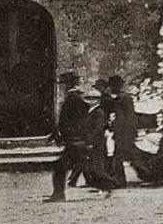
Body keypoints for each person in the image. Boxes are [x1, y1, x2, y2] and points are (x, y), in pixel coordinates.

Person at [46, 74, 115, 202]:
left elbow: (71, 120)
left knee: (62, 168)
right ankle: (107, 185)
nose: (62, 87)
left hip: (75, 141)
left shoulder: (73, 98)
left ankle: (59, 195)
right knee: (86, 168)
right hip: (76, 140)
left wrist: (67, 134)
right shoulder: (76, 97)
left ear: (68, 84)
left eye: (64, 84)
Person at [107, 74, 148, 187]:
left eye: (112, 86)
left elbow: (130, 117)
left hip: (124, 132)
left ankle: (121, 180)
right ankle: (146, 174)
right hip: (122, 132)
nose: (111, 88)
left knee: (119, 157)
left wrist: (127, 131)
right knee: (130, 155)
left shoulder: (124, 98)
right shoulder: (121, 98)